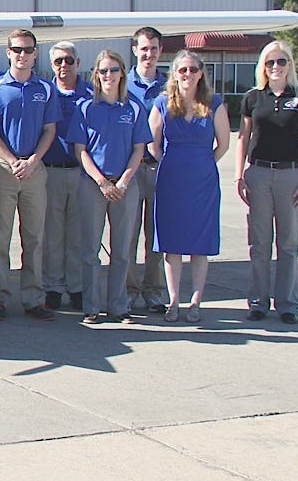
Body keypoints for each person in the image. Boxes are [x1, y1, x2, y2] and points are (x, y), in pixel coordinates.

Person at [235, 40, 298, 324]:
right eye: (270, 62)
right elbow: (243, 138)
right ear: (263, 67)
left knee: (288, 243)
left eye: (281, 62)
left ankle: (287, 304)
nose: (276, 67)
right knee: (259, 243)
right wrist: (239, 175)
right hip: (258, 174)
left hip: (291, 175)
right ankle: (258, 302)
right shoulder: (253, 98)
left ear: (289, 65)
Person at [0, 29, 60, 321]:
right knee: (0, 238)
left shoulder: (45, 89)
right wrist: (13, 160)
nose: (22, 55)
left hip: (35, 170)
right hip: (4, 168)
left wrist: (33, 160)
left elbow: (49, 129)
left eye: (28, 50)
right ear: (9, 53)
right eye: (17, 50)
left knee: (34, 237)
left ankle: (33, 298)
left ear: (35, 53)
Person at [68, 50, 149, 324]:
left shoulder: (133, 107)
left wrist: (124, 180)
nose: (108, 76)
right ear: (96, 74)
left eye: (114, 70)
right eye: (103, 71)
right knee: (91, 249)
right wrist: (102, 181)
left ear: (122, 73)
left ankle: (118, 305)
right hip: (93, 185)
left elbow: (139, 149)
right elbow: (80, 150)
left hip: (125, 185)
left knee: (122, 249)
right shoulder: (85, 108)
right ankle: (92, 306)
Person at [149, 50, 230, 323]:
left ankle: (195, 301)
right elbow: (151, 142)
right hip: (172, 179)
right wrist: (168, 161)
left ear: (201, 73)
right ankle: (173, 301)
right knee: (172, 244)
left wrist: (205, 162)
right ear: (175, 73)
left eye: (192, 69)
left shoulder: (214, 103)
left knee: (199, 243)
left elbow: (224, 143)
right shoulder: (162, 103)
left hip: (203, 181)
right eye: (182, 70)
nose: (187, 74)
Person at [41, 42, 94, 312]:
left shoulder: (91, 94)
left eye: (69, 61)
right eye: (59, 61)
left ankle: (76, 287)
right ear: (52, 65)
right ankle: (52, 286)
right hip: (51, 170)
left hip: (81, 173)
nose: (64, 66)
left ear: (78, 62)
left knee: (77, 234)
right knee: (52, 234)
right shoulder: (45, 92)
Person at [126, 27, 168, 314]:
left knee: (156, 234)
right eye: (144, 48)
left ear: (160, 51)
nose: (148, 54)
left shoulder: (170, 86)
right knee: (127, 233)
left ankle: (154, 290)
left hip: (158, 169)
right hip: (128, 169)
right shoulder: (120, 83)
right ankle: (127, 290)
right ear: (135, 50)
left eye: (153, 48)